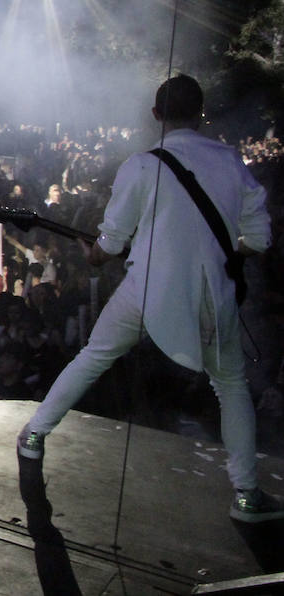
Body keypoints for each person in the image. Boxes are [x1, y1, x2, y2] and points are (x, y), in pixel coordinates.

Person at [17, 75, 284, 522]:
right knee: (232, 387)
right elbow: (257, 239)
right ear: (201, 114)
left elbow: (111, 244)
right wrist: (220, 255)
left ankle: (34, 435)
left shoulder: (141, 165)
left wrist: (95, 255)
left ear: (156, 115)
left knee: (94, 356)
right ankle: (246, 494)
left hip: (147, 290)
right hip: (213, 297)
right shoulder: (231, 160)